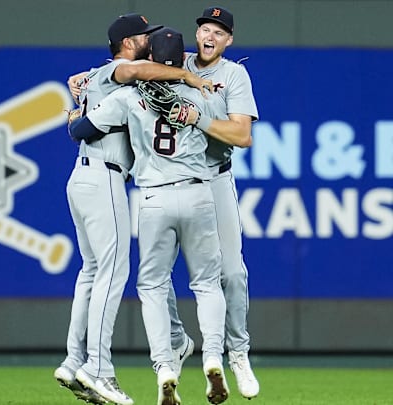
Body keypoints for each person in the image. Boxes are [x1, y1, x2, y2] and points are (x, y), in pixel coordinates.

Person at [54, 13, 212, 405]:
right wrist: (189, 77)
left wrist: (77, 101)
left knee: (91, 272)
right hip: (105, 177)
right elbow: (135, 69)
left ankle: (75, 360)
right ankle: (99, 369)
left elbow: (80, 126)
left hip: (83, 177)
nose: (148, 41)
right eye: (143, 36)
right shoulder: (127, 71)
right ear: (126, 43)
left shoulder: (97, 75)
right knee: (111, 272)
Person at [167, 6, 261, 400]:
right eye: (205, 28)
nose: (209, 36)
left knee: (232, 274)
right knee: (154, 276)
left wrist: (197, 119)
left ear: (229, 40)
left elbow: (242, 136)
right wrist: (90, 77)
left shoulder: (233, 74)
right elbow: (127, 69)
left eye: (218, 32)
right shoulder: (174, 64)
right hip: (171, 180)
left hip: (215, 178)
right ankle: (175, 344)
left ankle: (237, 352)